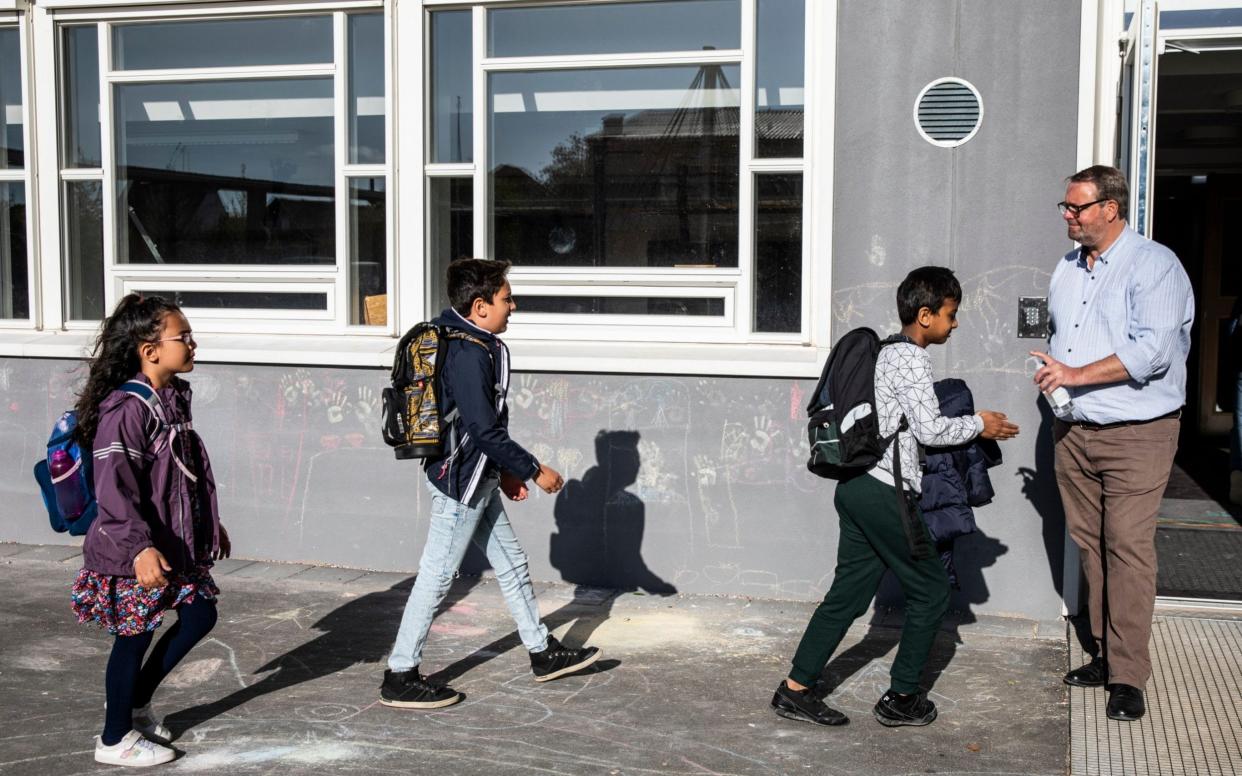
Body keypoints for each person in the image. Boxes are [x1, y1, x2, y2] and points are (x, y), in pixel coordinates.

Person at [772, 266, 1019, 728]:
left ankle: (796, 689)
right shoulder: (910, 359)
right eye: (951, 314)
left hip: (856, 487)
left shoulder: (885, 352)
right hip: (885, 491)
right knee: (930, 590)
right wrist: (980, 424)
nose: (956, 323)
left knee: (847, 595)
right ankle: (902, 697)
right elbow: (930, 430)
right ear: (925, 315)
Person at [380, 258, 600, 709]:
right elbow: (482, 430)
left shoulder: (476, 343)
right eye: (506, 298)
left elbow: (480, 426)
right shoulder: (467, 352)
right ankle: (400, 674)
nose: (512, 306)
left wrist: (505, 473)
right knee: (438, 576)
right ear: (480, 306)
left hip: (478, 478)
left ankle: (542, 653)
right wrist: (534, 469)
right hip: (459, 483)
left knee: (513, 563)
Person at [1031, 165, 1194, 722]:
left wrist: (1074, 375)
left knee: (1126, 547)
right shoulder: (1069, 267)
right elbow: (1061, 333)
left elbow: (1154, 353)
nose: (1068, 217)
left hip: (1137, 433)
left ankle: (1128, 675)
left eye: (1077, 208)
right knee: (1091, 544)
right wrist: (1057, 378)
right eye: (1065, 207)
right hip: (1074, 429)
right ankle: (1102, 652)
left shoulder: (1155, 266)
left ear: (1111, 208)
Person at [71, 294, 230, 767]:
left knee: (200, 616)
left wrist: (209, 522)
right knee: (134, 634)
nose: (193, 343)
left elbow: (180, 476)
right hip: (136, 548)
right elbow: (115, 489)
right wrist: (139, 547)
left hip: (176, 542)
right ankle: (114, 737)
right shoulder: (127, 409)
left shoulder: (172, 398)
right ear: (150, 349)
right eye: (183, 336)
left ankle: (133, 704)